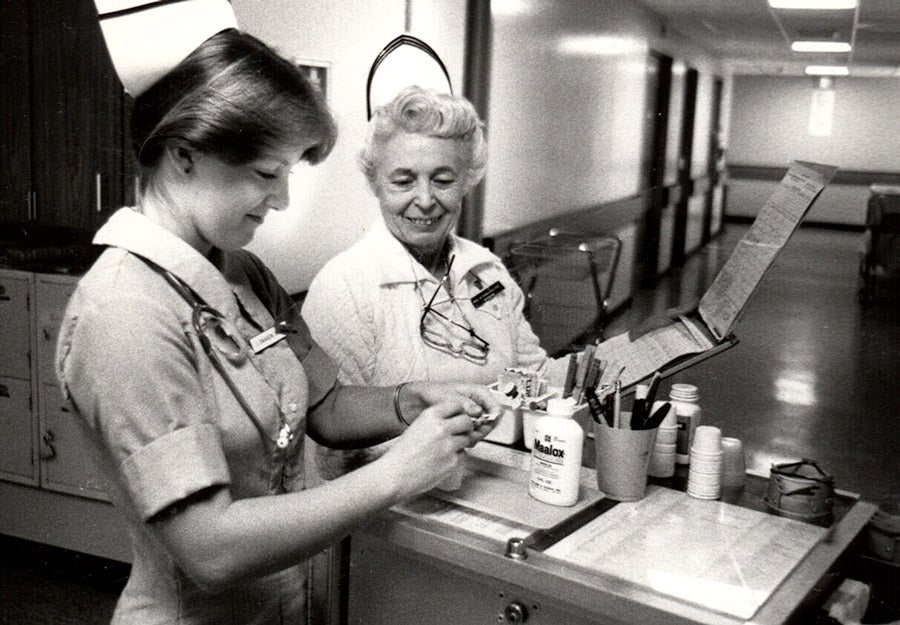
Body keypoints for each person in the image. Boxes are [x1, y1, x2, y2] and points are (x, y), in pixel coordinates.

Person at [56, 19, 497, 625]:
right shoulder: (125, 312)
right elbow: (208, 548)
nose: (283, 198)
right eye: (268, 174)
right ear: (186, 153)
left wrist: (407, 402)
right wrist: (396, 474)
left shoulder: (244, 275)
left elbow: (325, 407)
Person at [303, 86, 559, 475]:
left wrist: (636, 351)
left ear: (467, 181)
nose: (425, 200)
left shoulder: (486, 270)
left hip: (498, 480)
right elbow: (328, 449)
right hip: (393, 508)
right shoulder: (345, 288)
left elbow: (536, 379)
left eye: (442, 180)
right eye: (403, 181)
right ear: (375, 184)